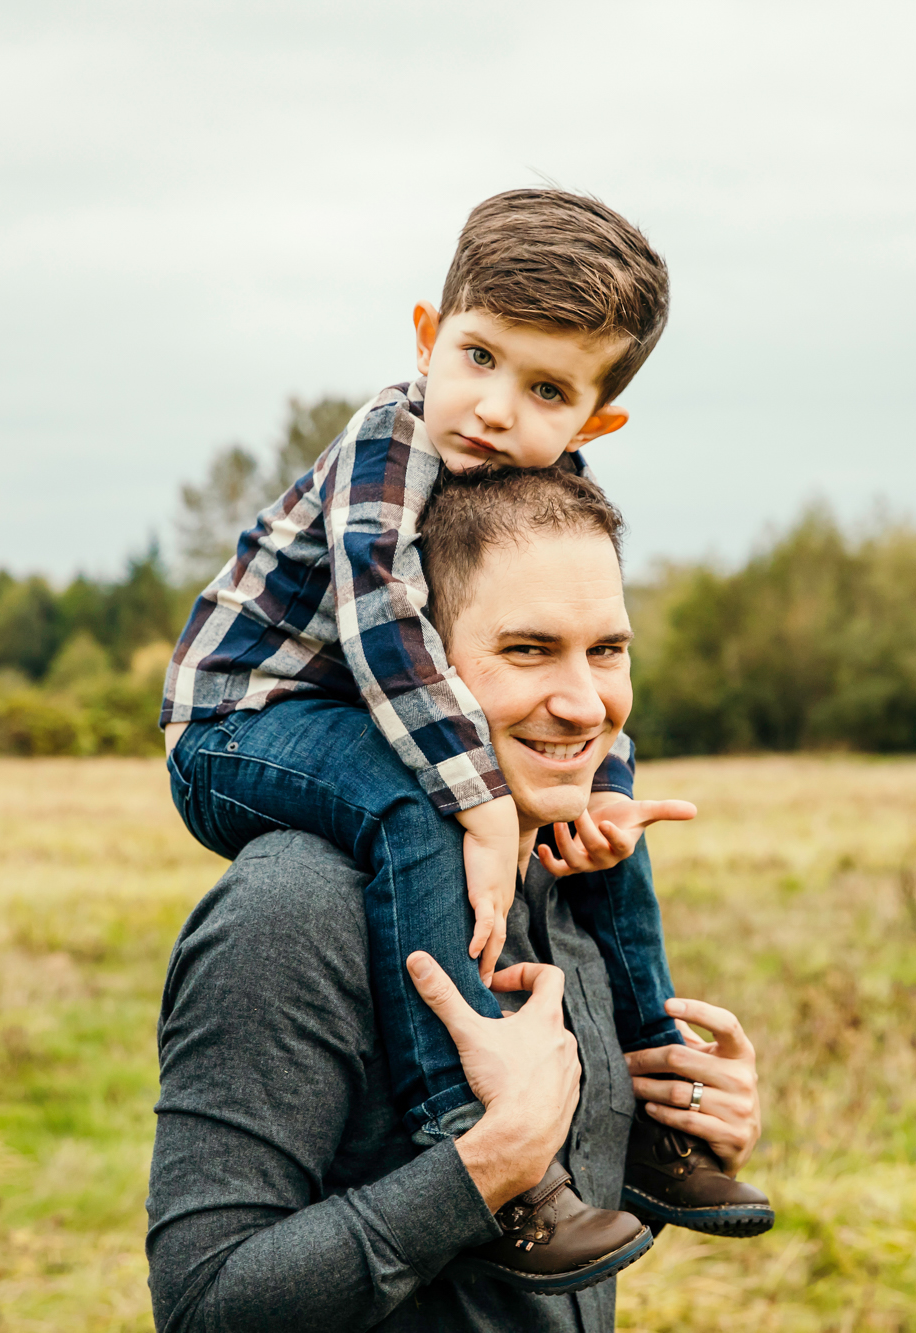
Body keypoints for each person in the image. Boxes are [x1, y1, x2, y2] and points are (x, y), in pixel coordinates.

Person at [160, 189, 769, 1285]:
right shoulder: (389, 446)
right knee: (412, 808)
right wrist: (490, 1158)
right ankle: (464, 1107)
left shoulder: (546, 499)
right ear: (427, 336)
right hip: (244, 721)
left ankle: (657, 1107)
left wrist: (596, 807)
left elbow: (586, 689)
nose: (491, 409)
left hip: (372, 724)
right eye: (477, 358)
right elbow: (388, 629)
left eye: (543, 388)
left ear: (590, 422)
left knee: (616, 851)